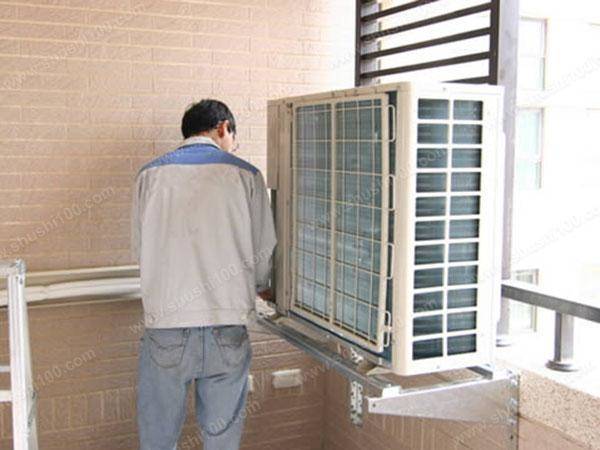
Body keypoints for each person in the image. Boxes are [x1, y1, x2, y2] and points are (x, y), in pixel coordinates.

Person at [131, 99, 277, 450]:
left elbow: (140, 249)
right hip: (227, 326)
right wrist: (260, 285)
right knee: (221, 440)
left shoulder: (149, 175)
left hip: (167, 327)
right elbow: (263, 249)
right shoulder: (247, 175)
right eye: (233, 138)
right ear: (224, 128)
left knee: (158, 439)